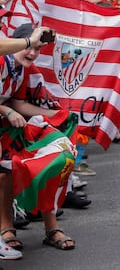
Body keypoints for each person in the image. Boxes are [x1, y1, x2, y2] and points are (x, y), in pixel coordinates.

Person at [0, 24, 76, 256]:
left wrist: (57, 115)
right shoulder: (2, 62)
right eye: (30, 48)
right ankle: (6, 229)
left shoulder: (25, 70)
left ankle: (51, 227)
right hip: (5, 124)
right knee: (6, 169)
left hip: (8, 125)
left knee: (57, 157)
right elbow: (11, 107)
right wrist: (6, 112)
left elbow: (19, 103)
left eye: (37, 50)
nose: (32, 54)